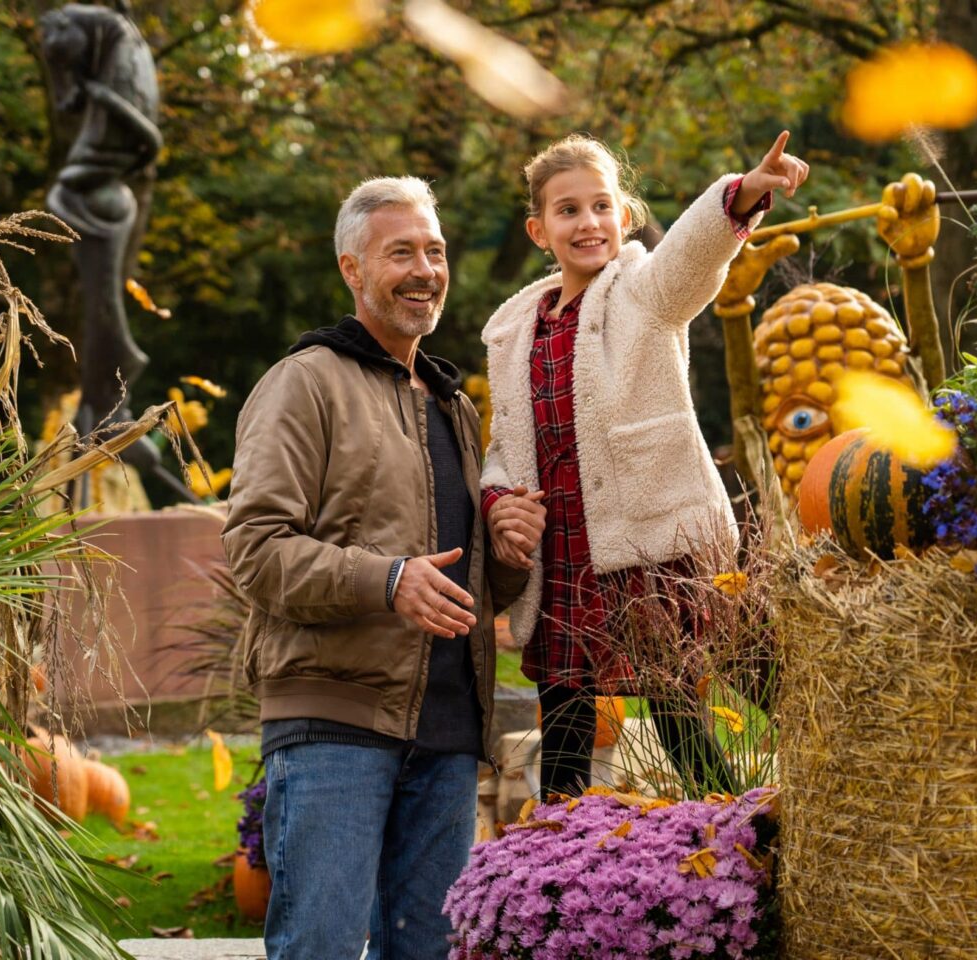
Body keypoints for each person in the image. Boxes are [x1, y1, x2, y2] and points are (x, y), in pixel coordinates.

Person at [222, 176, 539, 960]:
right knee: (322, 947)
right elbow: (255, 549)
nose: (425, 270)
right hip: (335, 729)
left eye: (435, 252)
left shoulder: (451, 405)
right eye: (401, 252)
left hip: (447, 734)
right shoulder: (305, 384)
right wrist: (386, 580)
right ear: (352, 270)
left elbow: (460, 585)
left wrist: (503, 552)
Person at [481, 131, 808, 799]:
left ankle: (741, 826)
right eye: (567, 210)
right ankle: (562, 859)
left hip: (648, 547)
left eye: (602, 206)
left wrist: (741, 195)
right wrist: (497, 504)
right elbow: (502, 450)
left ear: (624, 218)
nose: (587, 222)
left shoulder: (643, 295)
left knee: (682, 714)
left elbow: (692, 255)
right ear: (538, 230)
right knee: (566, 725)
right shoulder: (515, 333)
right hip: (565, 561)